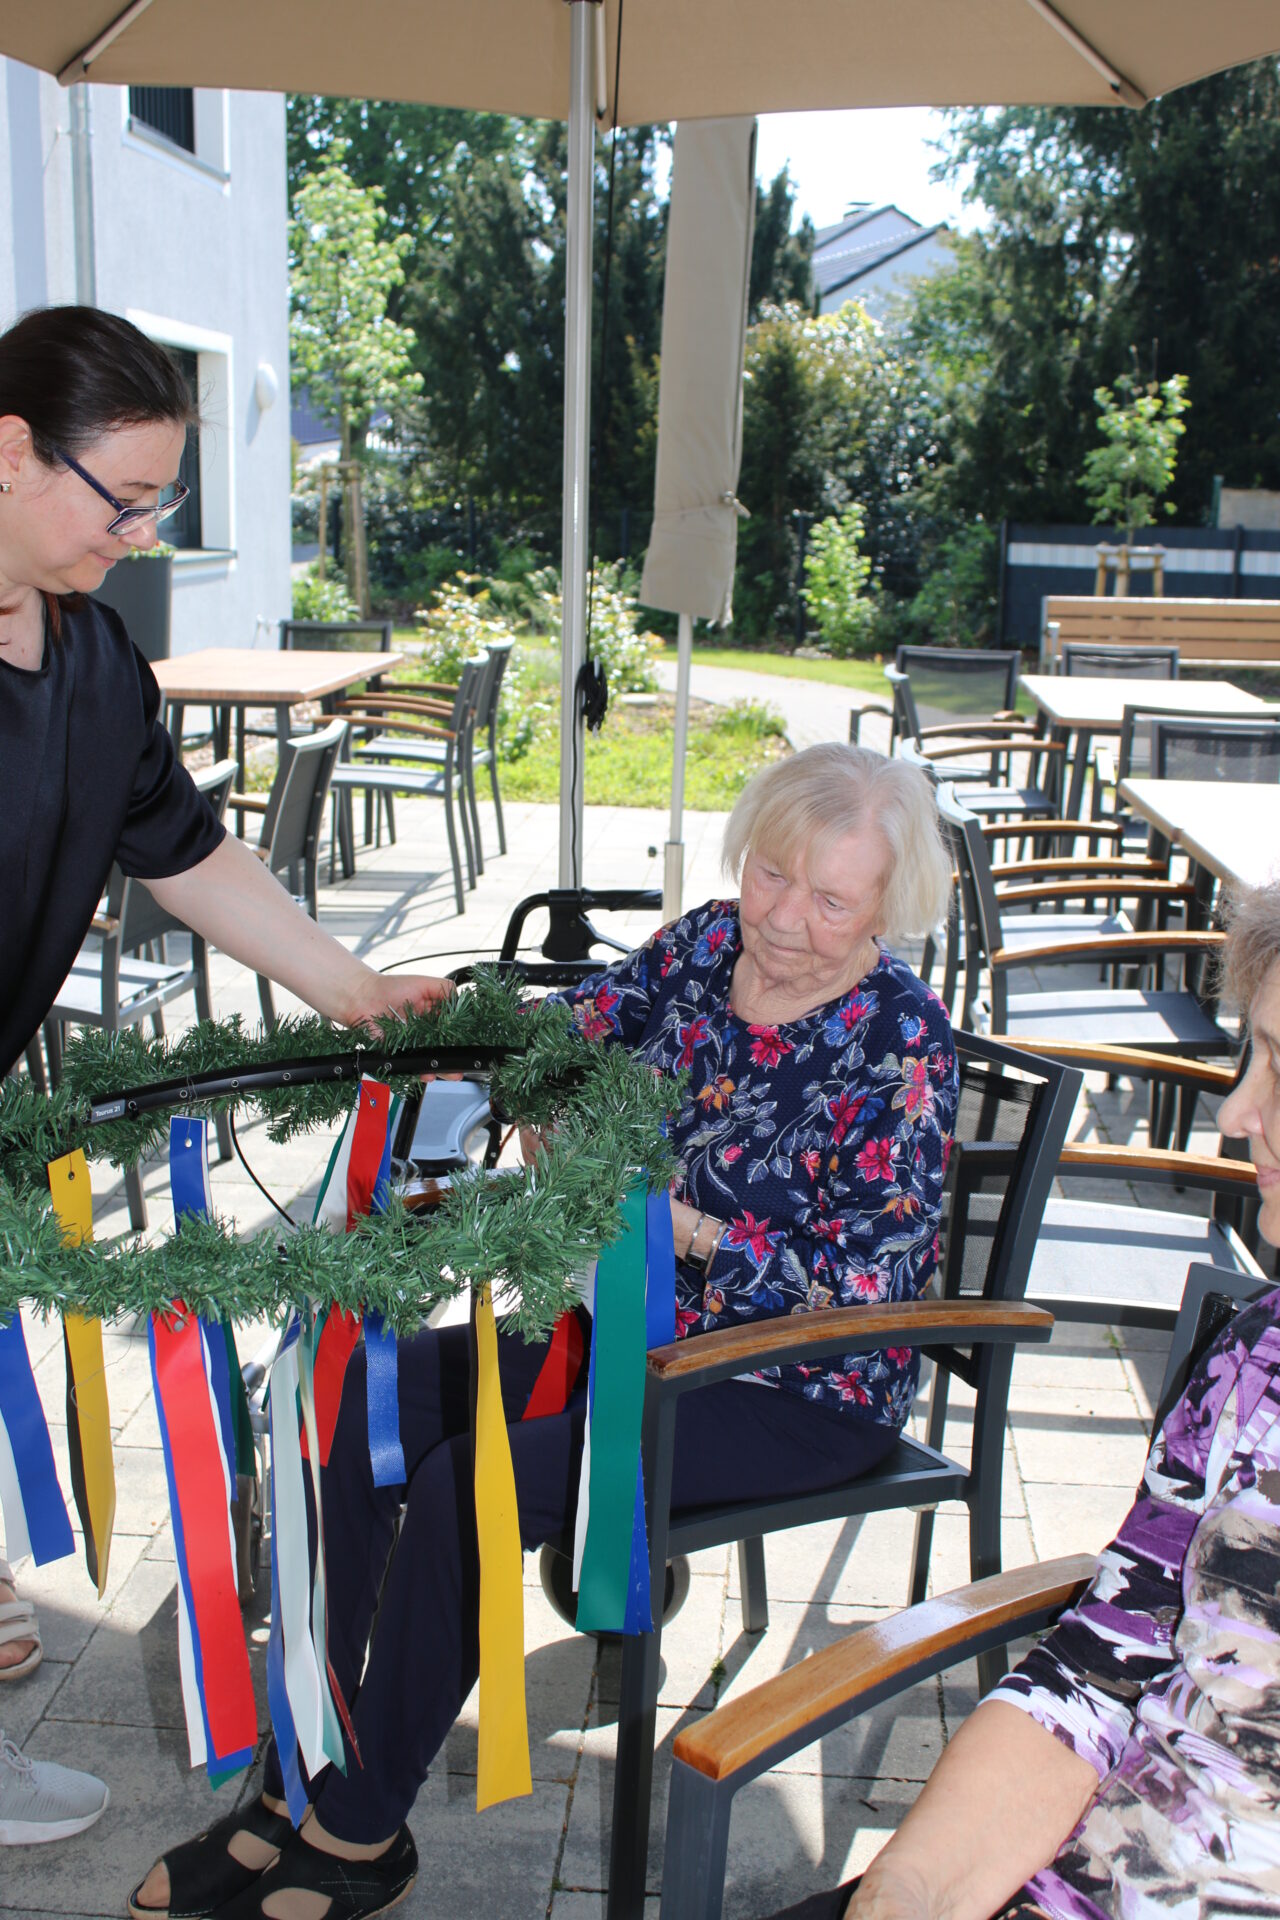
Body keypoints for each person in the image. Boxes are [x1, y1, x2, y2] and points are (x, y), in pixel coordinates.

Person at [131, 742, 958, 1920]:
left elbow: (872, 1285)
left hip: (788, 1387)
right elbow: (567, 1032)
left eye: (831, 900)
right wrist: (502, 1064)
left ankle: (362, 1832)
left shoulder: (900, 1046)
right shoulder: (704, 943)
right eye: (772, 875)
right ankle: (294, 1780)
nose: (782, 919)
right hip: (616, 1325)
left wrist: (684, 1229)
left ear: (888, 905)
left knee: (475, 1479)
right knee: (351, 1402)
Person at [0, 303, 449, 1847]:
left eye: (156, 505)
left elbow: (187, 854)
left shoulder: (95, 656)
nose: (134, 535)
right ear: (6, 450)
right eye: (113, 498)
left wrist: (355, 988)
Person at [765, 877, 1280, 1920]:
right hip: (1074, 1864)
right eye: (1252, 1054)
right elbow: (1110, 1650)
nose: (1233, 1115)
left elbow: (852, 1274)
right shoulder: (1254, 1357)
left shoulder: (893, 1032)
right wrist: (903, 1892)